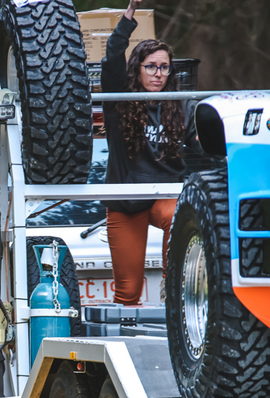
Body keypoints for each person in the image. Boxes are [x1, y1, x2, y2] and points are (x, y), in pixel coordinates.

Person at [102, 0, 196, 305]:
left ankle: (173, 289)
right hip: (126, 201)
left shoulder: (180, 105)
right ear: (137, 69)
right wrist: (129, 15)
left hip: (162, 196)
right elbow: (113, 54)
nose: (159, 73)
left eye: (165, 67)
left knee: (178, 211)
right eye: (151, 66)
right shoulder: (119, 100)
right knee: (127, 292)